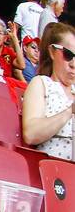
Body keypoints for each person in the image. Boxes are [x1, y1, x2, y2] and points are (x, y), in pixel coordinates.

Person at [21, 22, 75, 160]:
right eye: (68, 54)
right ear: (52, 52)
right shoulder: (41, 83)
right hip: (55, 173)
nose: (73, 64)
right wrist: (70, 111)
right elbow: (31, 134)